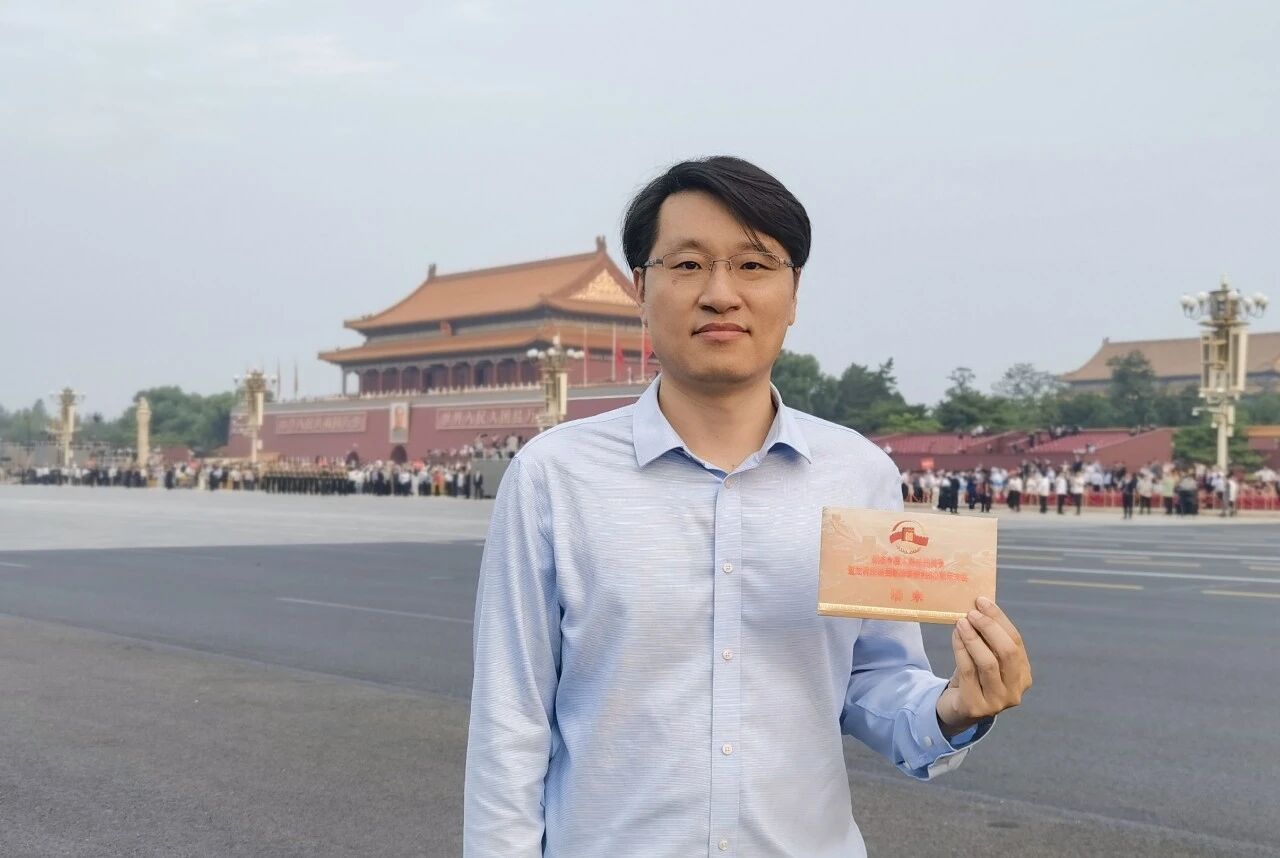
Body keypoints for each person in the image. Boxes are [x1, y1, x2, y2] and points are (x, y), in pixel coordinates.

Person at [464, 157, 1032, 857]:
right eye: (688, 265)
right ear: (640, 288)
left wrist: (955, 707)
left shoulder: (857, 475)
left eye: (754, 265)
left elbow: (874, 678)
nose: (720, 294)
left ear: (793, 294)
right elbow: (510, 723)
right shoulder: (555, 478)